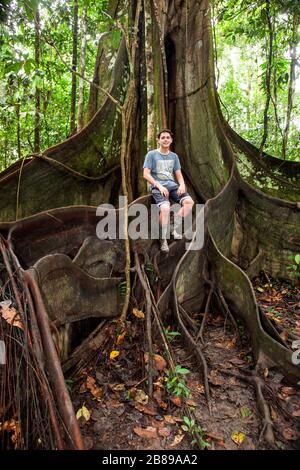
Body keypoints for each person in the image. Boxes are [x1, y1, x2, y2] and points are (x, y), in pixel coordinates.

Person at [143, 129, 194, 253]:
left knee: (189, 203)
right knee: (165, 208)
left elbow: (178, 174)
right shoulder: (151, 155)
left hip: (172, 186)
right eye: (163, 138)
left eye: (168, 138)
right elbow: (146, 174)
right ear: (158, 140)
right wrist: (159, 186)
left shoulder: (174, 156)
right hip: (158, 187)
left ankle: (172, 226)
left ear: (171, 140)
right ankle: (163, 238)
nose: (165, 139)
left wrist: (182, 185)